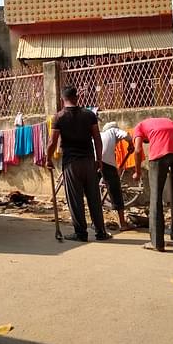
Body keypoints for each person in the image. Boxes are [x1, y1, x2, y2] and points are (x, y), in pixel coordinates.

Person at [46, 85, 111, 242]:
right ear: (77, 98)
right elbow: (97, 138)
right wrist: (99, 159)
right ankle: (101, 231)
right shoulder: (89, 115)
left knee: (75, 198)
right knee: (94, 197)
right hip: (89, 161)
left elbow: (52, 142)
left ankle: (80, 233)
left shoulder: (59, 117)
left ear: (62, 99)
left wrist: (48, 159)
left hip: (71, 163)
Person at [132, 117, 173, 252]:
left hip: (159, 155)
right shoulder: (168, 120)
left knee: (156, 198)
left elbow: (137, 150)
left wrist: (138, 172)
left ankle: (157, 243)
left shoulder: (139, 127)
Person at [99, 120, 134, 231]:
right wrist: (131, 144)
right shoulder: (113, 130)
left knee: (93, 192)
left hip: (92, 161)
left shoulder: (99, 135)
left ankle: (97, 224)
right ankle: (123, 224)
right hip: (106, 163)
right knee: (116, 192)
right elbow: (127, 135)